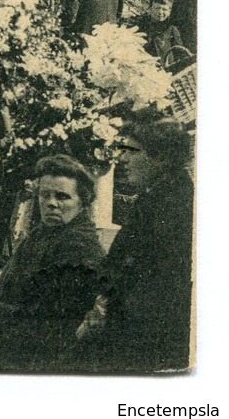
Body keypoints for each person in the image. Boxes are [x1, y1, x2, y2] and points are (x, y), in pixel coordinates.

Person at [0, 155, 107, 371]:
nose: (51, 203)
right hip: (14, 343)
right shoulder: (45, 233)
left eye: (62, 197)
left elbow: (53, 321)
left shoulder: (79, 247)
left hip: (43, 361)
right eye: (45, 195)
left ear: (82, 201)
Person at [80, 113, 193, 371]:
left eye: (132, 151)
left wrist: (103, 319)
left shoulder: (175, 204)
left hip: (147, 341)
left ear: (161, 157)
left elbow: (155, 284)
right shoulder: (157, 196)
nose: (122, 159)